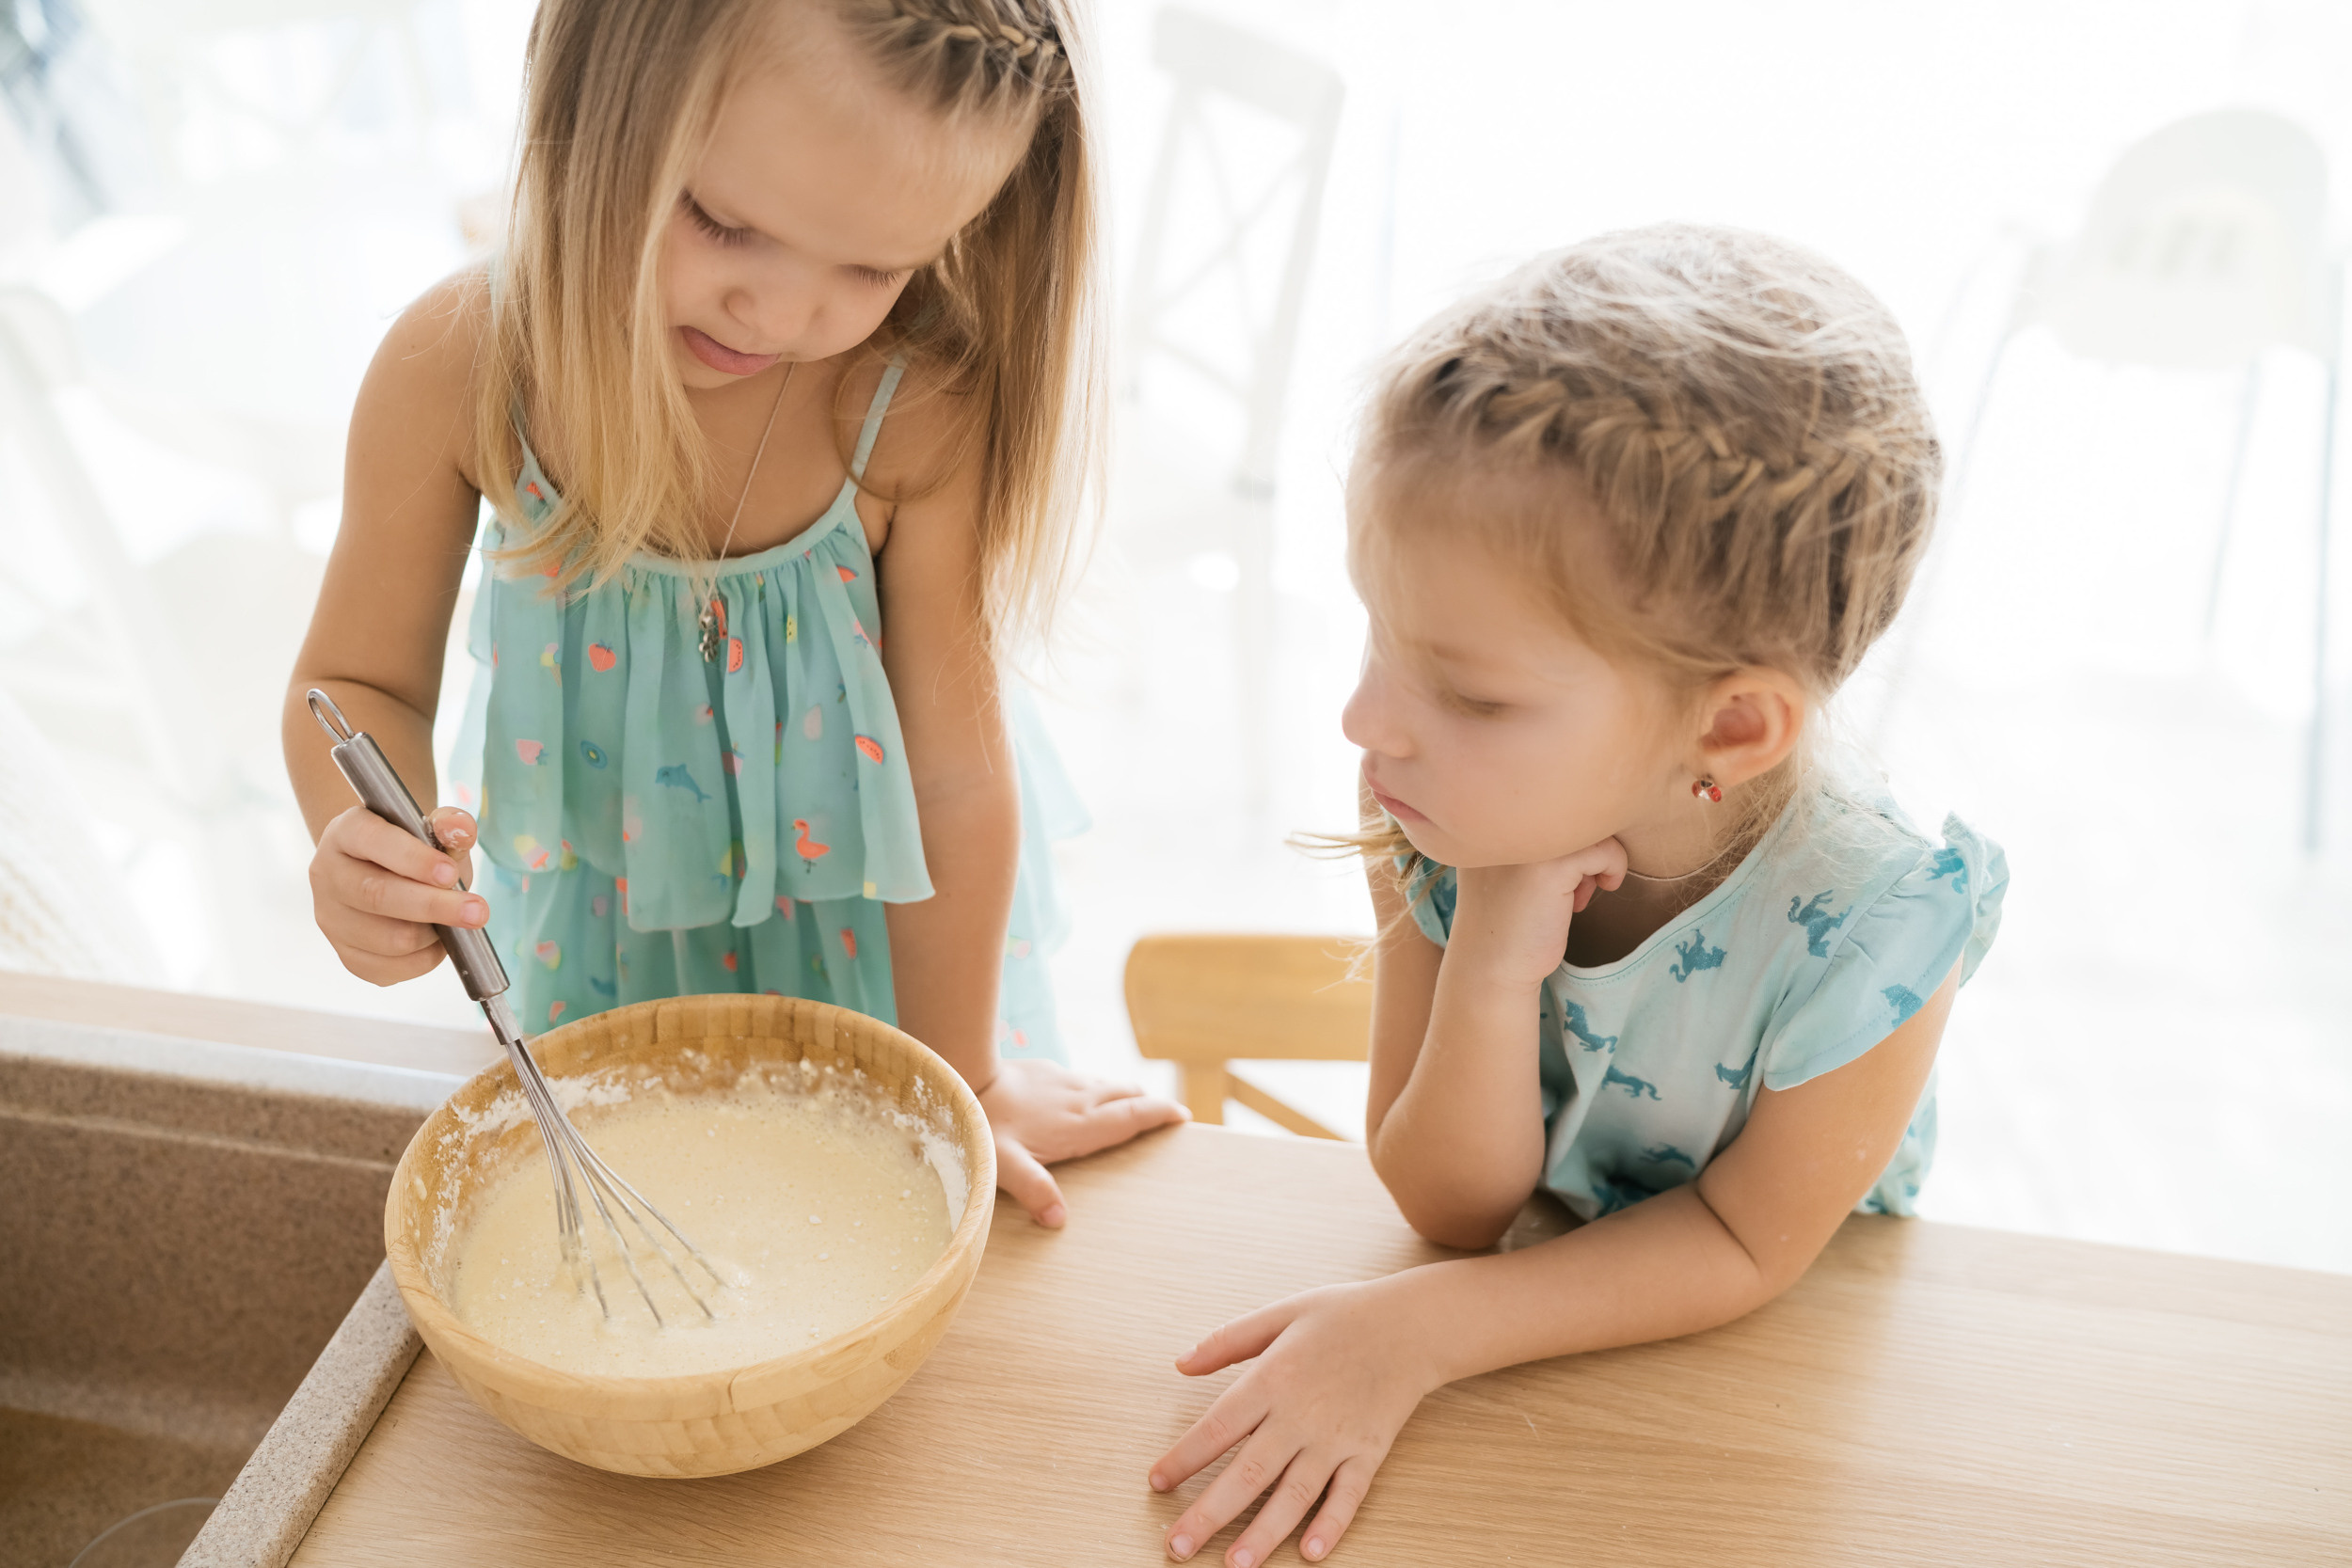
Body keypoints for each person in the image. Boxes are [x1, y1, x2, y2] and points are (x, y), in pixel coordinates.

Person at [1149, 226, 2008, 1565]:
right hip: (1542, 1373)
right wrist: (1493, 949)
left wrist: (1419, 1333)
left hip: (1765, 1390)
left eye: (1472, 692)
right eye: (1378, 633)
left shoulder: (1884, 921)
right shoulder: (1449, 812)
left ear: (1729, 731)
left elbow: (1744, 1244)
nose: (1366, 719)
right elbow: (1449, 1207)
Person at [284, 0, 1181, 1228]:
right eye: (726, 225)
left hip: (894, 980)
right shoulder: (461, 368)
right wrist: (363, 846)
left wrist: (965, 1081)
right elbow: (353, 684)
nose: (785, 314)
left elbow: (954, 783)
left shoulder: (909, 406)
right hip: (609, 965)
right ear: (592, 108)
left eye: (875, 265)